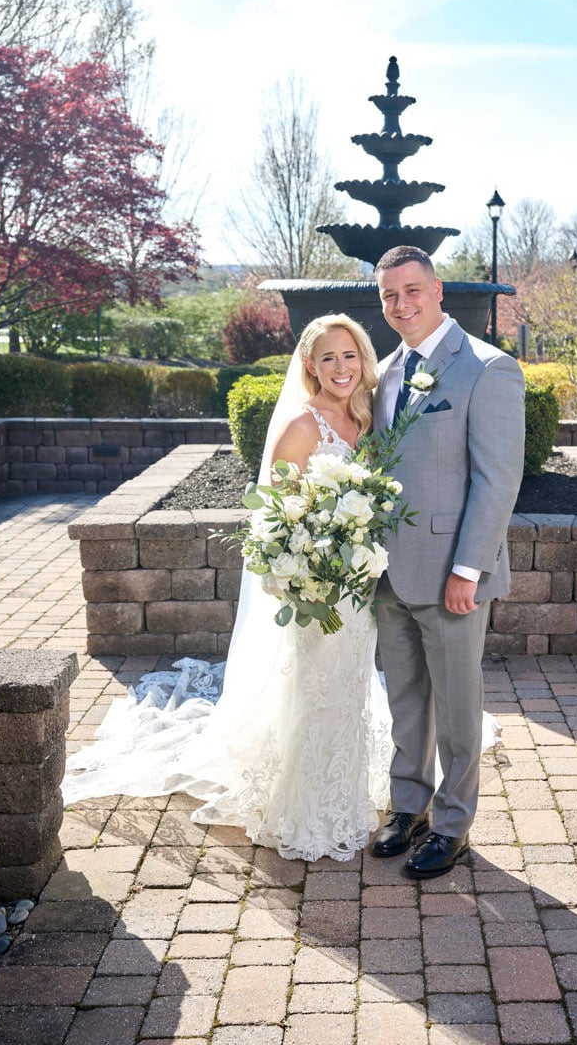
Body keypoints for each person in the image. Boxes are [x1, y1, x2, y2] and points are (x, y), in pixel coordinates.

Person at [61, 313, 395, 862]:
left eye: (350, 356)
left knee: (352, 684)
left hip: (357, 584)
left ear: (363, 360)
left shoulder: (368, 418)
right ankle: (306, 806)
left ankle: (348, 787)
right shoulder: (302, 427)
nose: (341, 367)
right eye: (329, 358)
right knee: (315, 687)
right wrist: (306, 578)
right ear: (310, 366)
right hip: (318, 587)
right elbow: (277, 520)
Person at [366, 245, 523, 878]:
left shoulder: (488, 369)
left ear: (437, 292)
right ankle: (410, 808)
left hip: (451, 573)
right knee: (406, 700)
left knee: (459, 708)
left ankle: (453, 825)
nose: (400, 305)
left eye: (411, 291)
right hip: (386, 569)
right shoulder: (383, 371)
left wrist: (469, 570)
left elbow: (497, 480)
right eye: (388, 297)